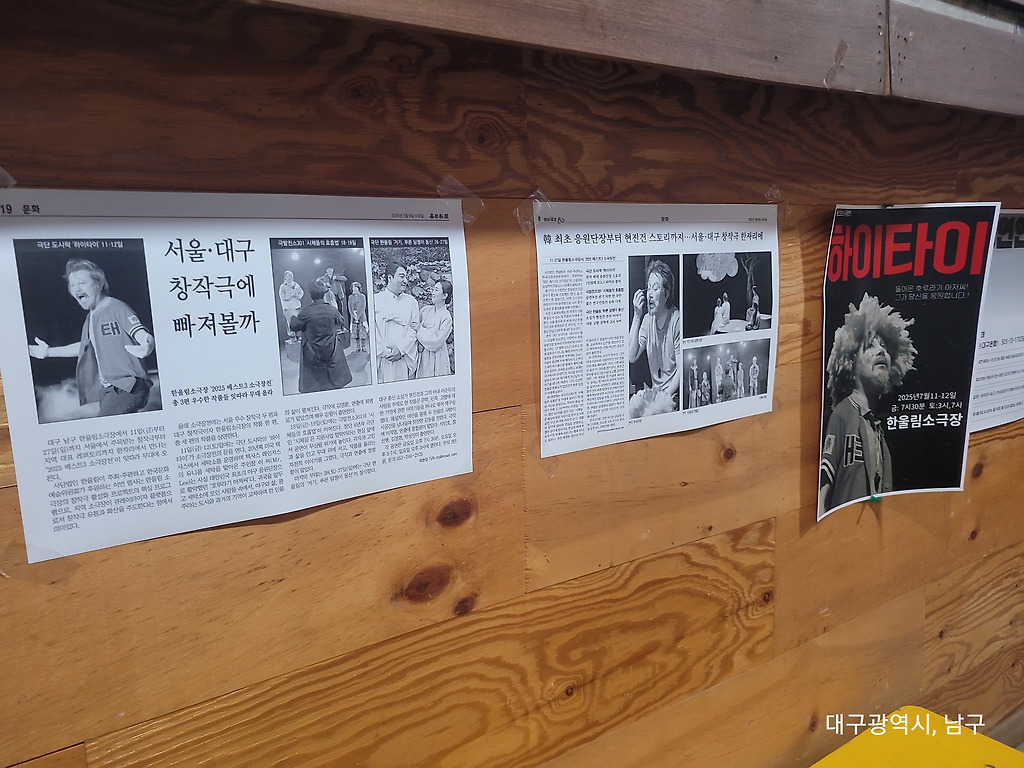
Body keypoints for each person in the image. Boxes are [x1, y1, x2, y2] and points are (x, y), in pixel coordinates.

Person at [818, 293, 916, 517]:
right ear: (851, 362)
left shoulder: (879, 431)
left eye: (885, 347)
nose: (882, 351)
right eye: (871, 345)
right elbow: (824, 486)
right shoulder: (842, 414)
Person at [29, 259, 154, 416]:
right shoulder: (91, 318)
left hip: (127, 386)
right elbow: (85, 347)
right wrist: (48, 352)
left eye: (82, 283)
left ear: (100, 284)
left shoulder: (116, 307)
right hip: (109, 390)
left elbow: (139, 331)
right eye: (72, 285)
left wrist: (146, 342)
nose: (77, 288)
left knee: (107, 426)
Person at [628, 259, 681, 407]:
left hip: (673, 395)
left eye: (655, 288)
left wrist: (662, 399)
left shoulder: (676, 319)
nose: (649, 294)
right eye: (648, 287)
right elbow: (631, 356)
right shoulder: (647, 319)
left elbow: (681, 370)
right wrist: (637, 315)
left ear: (666, 294)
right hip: (655, 395)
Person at [289, 282, 352, 393]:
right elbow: (341, 321)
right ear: (324, 293)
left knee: (316, 388)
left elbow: (294, 327)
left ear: (311, 295)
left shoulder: (306, 312)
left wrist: (292, 317)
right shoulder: (332, 309)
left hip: (312, 354)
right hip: (332, 350)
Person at [374, 260, 420, 382]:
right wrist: (384, 351)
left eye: (406, 277)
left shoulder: (411, 302)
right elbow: (372, 330)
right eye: (401, 276)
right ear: (390, 278)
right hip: (383, 359)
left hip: (403, 358)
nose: (405, 280)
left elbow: (413, 330)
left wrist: (400, 349)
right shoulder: (375, 300)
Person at [416, 279, 454, 378]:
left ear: (444, 295)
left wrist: (420, 330)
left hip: (438, 358)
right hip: (423, 356)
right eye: (433, 289)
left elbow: (436, 342)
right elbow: (413, 327)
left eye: (436, 290)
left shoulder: (446, 318)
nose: (433, 293)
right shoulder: (425, 311)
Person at [278, 270, 304, 341]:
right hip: (288, 308)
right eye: (288, 276)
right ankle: (292, 336)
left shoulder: (296, 285)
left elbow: (301, 292)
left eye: (291, 276)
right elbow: (282, 296)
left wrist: (297, 295)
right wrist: (290, 295)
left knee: (298, 321)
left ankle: (298, 335)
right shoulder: (283, 286)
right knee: (290, 322)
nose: (290, 278)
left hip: (297, 306)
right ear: (285, 277)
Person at [348, 281, 368, 353]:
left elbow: (363, 307)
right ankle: (357, 347)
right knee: (355, 333)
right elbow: (349, 308)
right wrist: (353, 316)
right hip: (354, 317)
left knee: (362, 333)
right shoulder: (350, 297)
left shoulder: (362, 296)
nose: (353, 290)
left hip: (361, 317)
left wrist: (358, 316)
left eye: (355, 288)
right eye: (352, 288)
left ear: (358, 289)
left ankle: (363, 346)